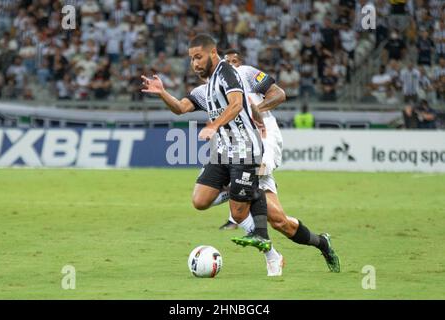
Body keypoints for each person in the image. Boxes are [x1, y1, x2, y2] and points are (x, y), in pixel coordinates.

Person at [141, 34, 275, 275]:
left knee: (237, 214)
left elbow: (236, 104)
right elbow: (181, 108)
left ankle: (273, 257)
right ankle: (238, 189)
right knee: (200, 201)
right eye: (192, 59)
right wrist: (162, 93)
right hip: (224, 151)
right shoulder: (206, 88)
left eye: (198, 57)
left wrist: (213, 126)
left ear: (213, 53)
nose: (195, 63)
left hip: (245, 148)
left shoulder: (227, 73)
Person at [211, 49, 340, 274]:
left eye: (234, 62)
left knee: (246, 175)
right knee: (281, 222)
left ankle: (231, 193)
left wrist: (256, 110)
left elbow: (279, 94)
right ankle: (322, 243)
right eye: (226, 63)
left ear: (239, 62)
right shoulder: (218, 89)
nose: (230, 66)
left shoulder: (247, 73)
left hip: (265, 138)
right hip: (242, 147)